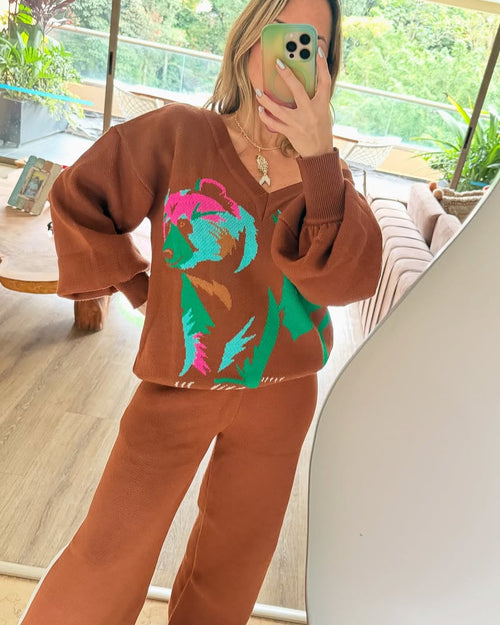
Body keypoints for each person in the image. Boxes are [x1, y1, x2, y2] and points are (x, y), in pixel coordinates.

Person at [17, 0, 382, 623]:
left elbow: (349, 278)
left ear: (328, 67)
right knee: (108, 552)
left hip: (283, 393)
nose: (295, 60)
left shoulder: (331, 179)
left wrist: (318, 156)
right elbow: (79, 198)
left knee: (234, 564)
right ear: (248, 41)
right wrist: (140, 289)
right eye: (284, 37)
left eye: (314, 46)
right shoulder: (179, 134)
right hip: (177, 385)